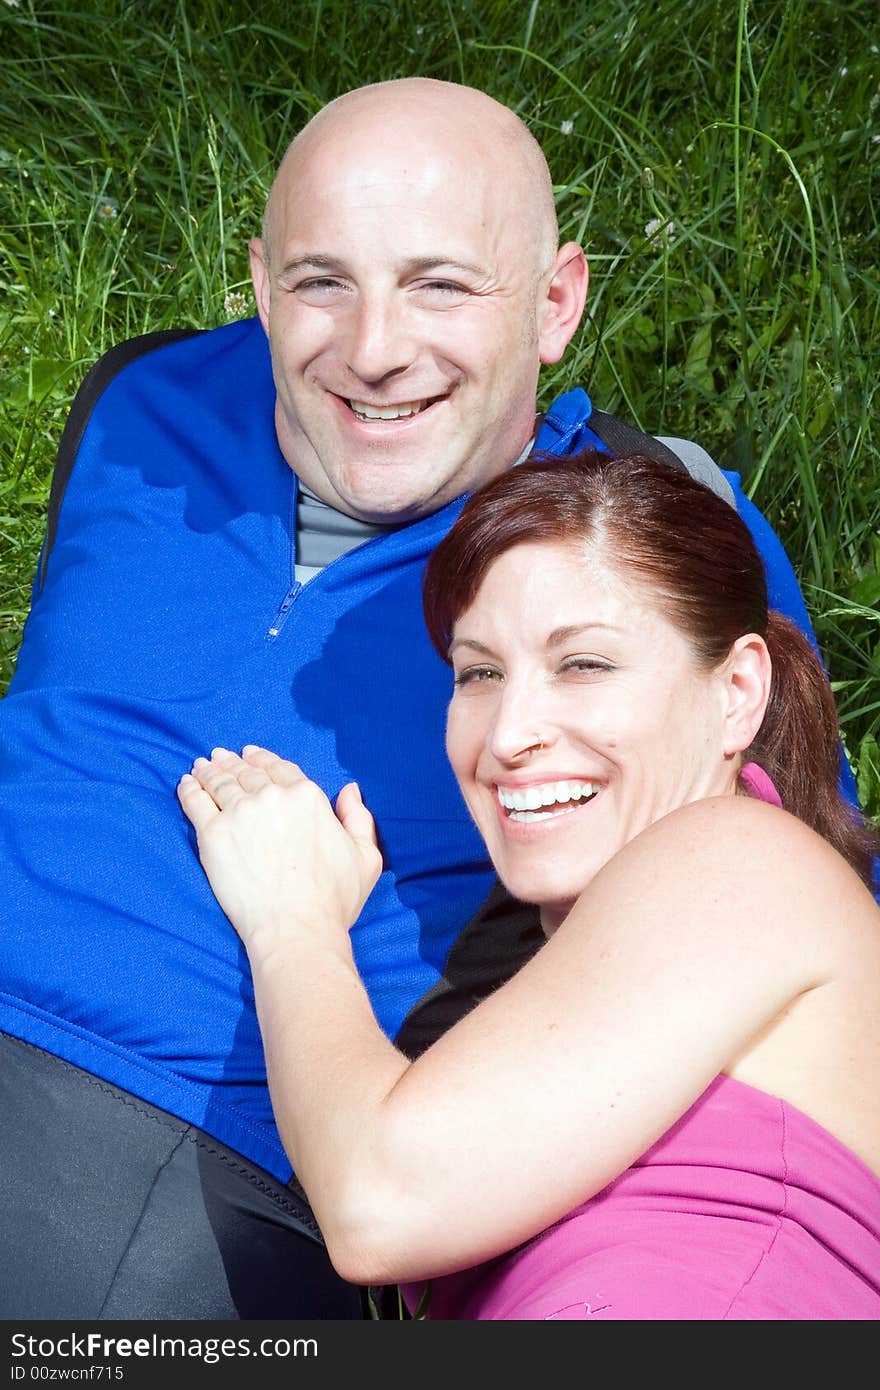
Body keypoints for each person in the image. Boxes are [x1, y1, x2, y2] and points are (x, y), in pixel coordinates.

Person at [0, 77, 865, 1318]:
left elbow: (797, 910)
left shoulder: (648, 528)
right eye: (319, 281)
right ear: (256, 281)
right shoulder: (141, 404)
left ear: (556, 300)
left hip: (196, 1155)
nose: (374, 348)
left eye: (442, 284)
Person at [179, 450, 880, 1321]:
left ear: (736, 692)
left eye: (583, 664)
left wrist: (294, 920)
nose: (509, 732)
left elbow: (378, 1201)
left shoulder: (743, 858)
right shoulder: (630, 967)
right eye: (479, 673)